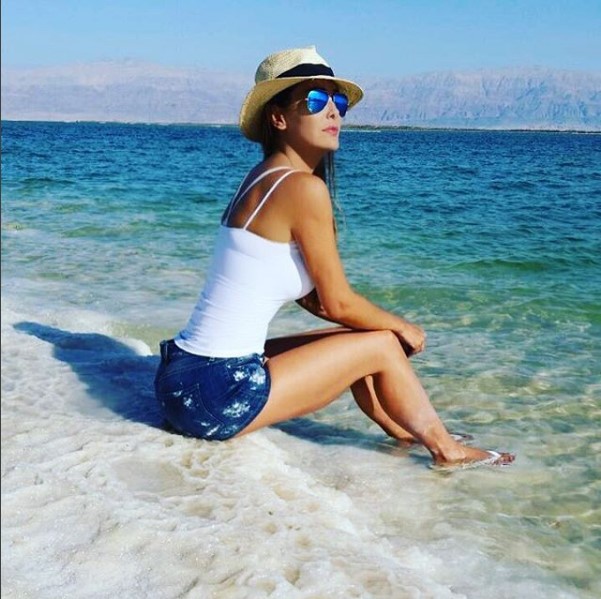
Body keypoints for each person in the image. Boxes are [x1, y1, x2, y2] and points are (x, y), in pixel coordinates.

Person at [154, 45, 515, 470]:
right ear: (278, 118)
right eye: (314, 100)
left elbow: (315, 300)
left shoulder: (261, 178)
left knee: (363, 340)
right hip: (214, 394)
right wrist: (403, 327)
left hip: (184, 378)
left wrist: (375, 329)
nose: (332, 112)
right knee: (381, 343)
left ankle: (406, 432)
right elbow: (337, 302)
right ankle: (446, 450)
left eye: (337, 102)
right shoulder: (302, 188)